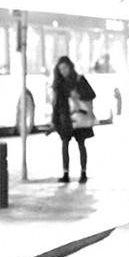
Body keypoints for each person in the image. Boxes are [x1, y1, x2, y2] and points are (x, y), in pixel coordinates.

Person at [50, 55, 96, 183]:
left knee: (81, 145)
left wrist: (79, 95)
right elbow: (56, 104)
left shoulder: (79, 80)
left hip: (80, 117)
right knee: (65, 145)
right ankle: (65, 173)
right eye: (60, 69)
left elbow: (92, 94)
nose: (63, 71)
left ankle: (83, 172)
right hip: (65, 118)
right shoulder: (58, 84)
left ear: (70, 67)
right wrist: (54, 121)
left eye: (65, 68)